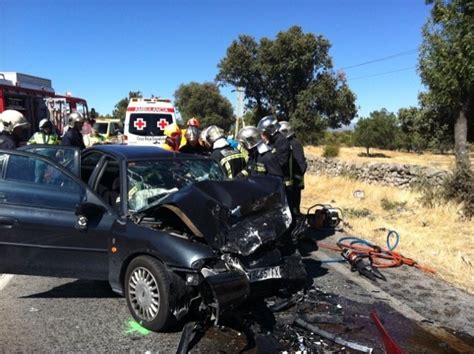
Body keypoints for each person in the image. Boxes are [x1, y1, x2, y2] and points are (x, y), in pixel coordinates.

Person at [257, 115, 294, 209]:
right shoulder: (273, 141)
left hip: (282, 183)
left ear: (269, 131)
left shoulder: (281, 142)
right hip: (274, 182)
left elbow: (281, 163)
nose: (263, 135)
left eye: (264, 133)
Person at [279, 121, 307, 216]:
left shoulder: (295, 144)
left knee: (294, 207)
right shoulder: (285, 143)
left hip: (295, 182)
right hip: (289, 182)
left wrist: (294, 177)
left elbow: (301, 164)